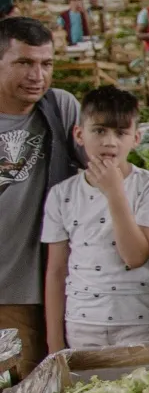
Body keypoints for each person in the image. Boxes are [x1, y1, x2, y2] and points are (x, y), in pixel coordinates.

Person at [41, 86, 149, 350]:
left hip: (145, 324)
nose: (110, 142)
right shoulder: (61, 195)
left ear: (136, 138)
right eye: (99, 130)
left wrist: (114, 192)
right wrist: (55, 343)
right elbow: (56, 271)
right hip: (82, 325)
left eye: (121, 132)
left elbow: (135, 256)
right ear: (79, 134)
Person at [0, 18, 82, 364]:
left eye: (45, 64)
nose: (37, 76)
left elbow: (106, 169)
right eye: (23, 63)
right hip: (5, 284)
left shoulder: (60, 108)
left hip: (38, 288)